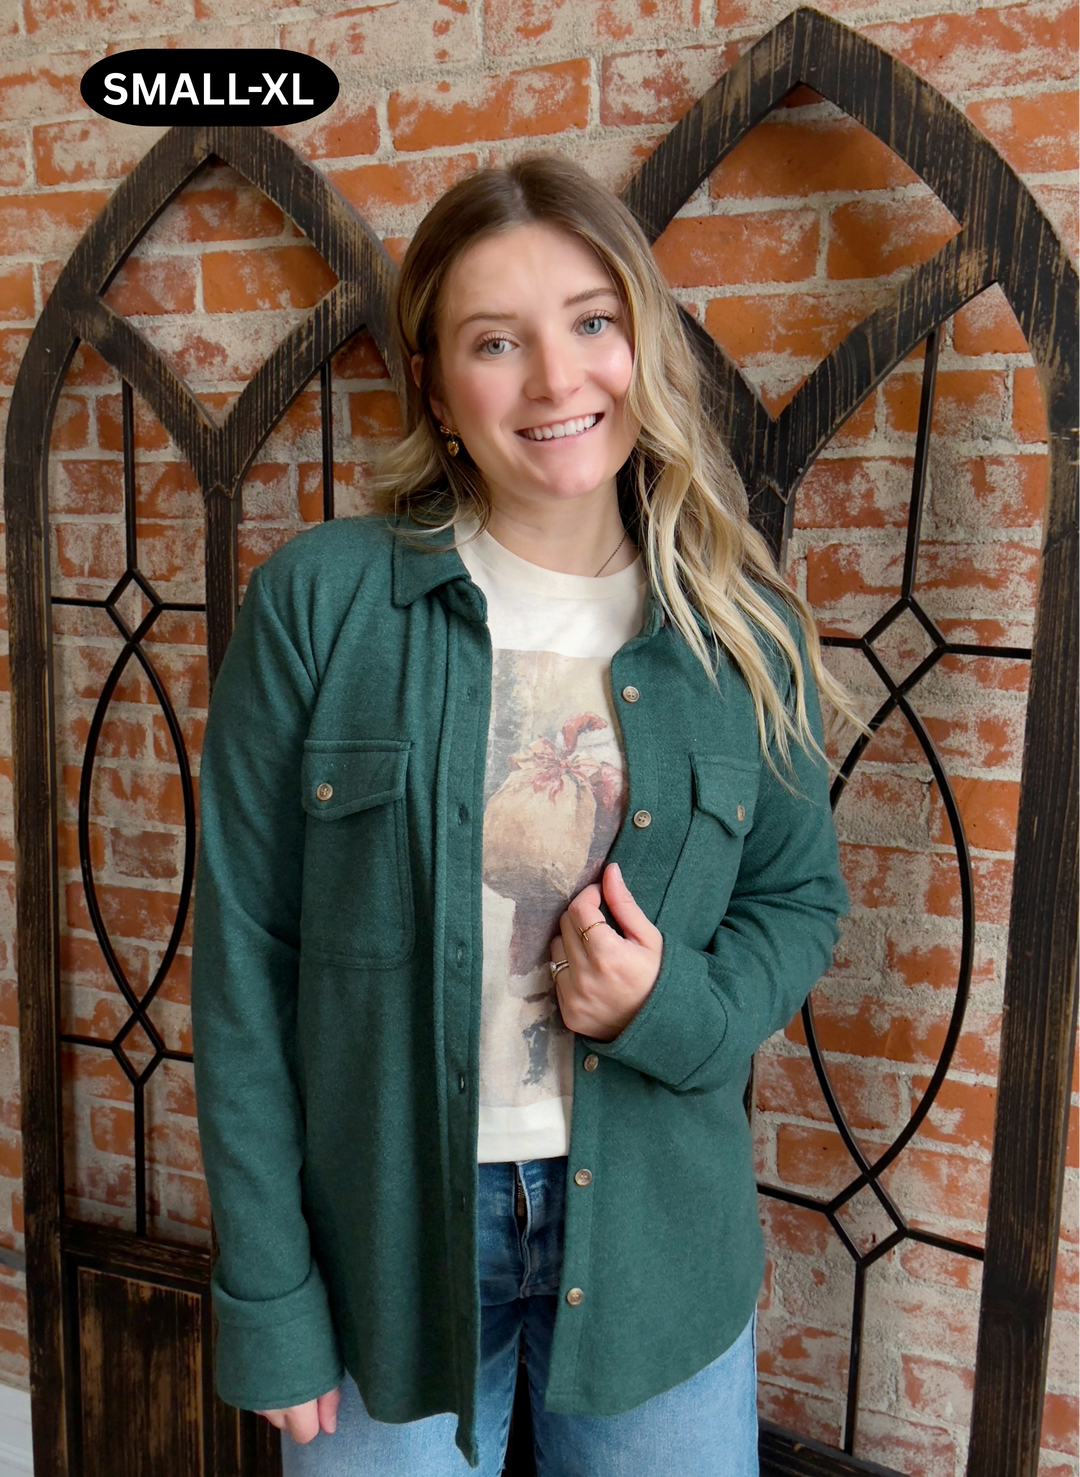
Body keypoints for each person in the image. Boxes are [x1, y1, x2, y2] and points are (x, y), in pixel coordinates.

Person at [190, 152, 854, 1476]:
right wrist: (269, 1295)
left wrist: (665, 1006)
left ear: (639, 345)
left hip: (660, 1253)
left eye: (591, 322)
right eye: (497, 342)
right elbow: (245, 967)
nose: (557, 380)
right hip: (384, 1251)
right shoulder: (323, 603)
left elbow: (799, 900)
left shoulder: (743, 631)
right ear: (438, 388)